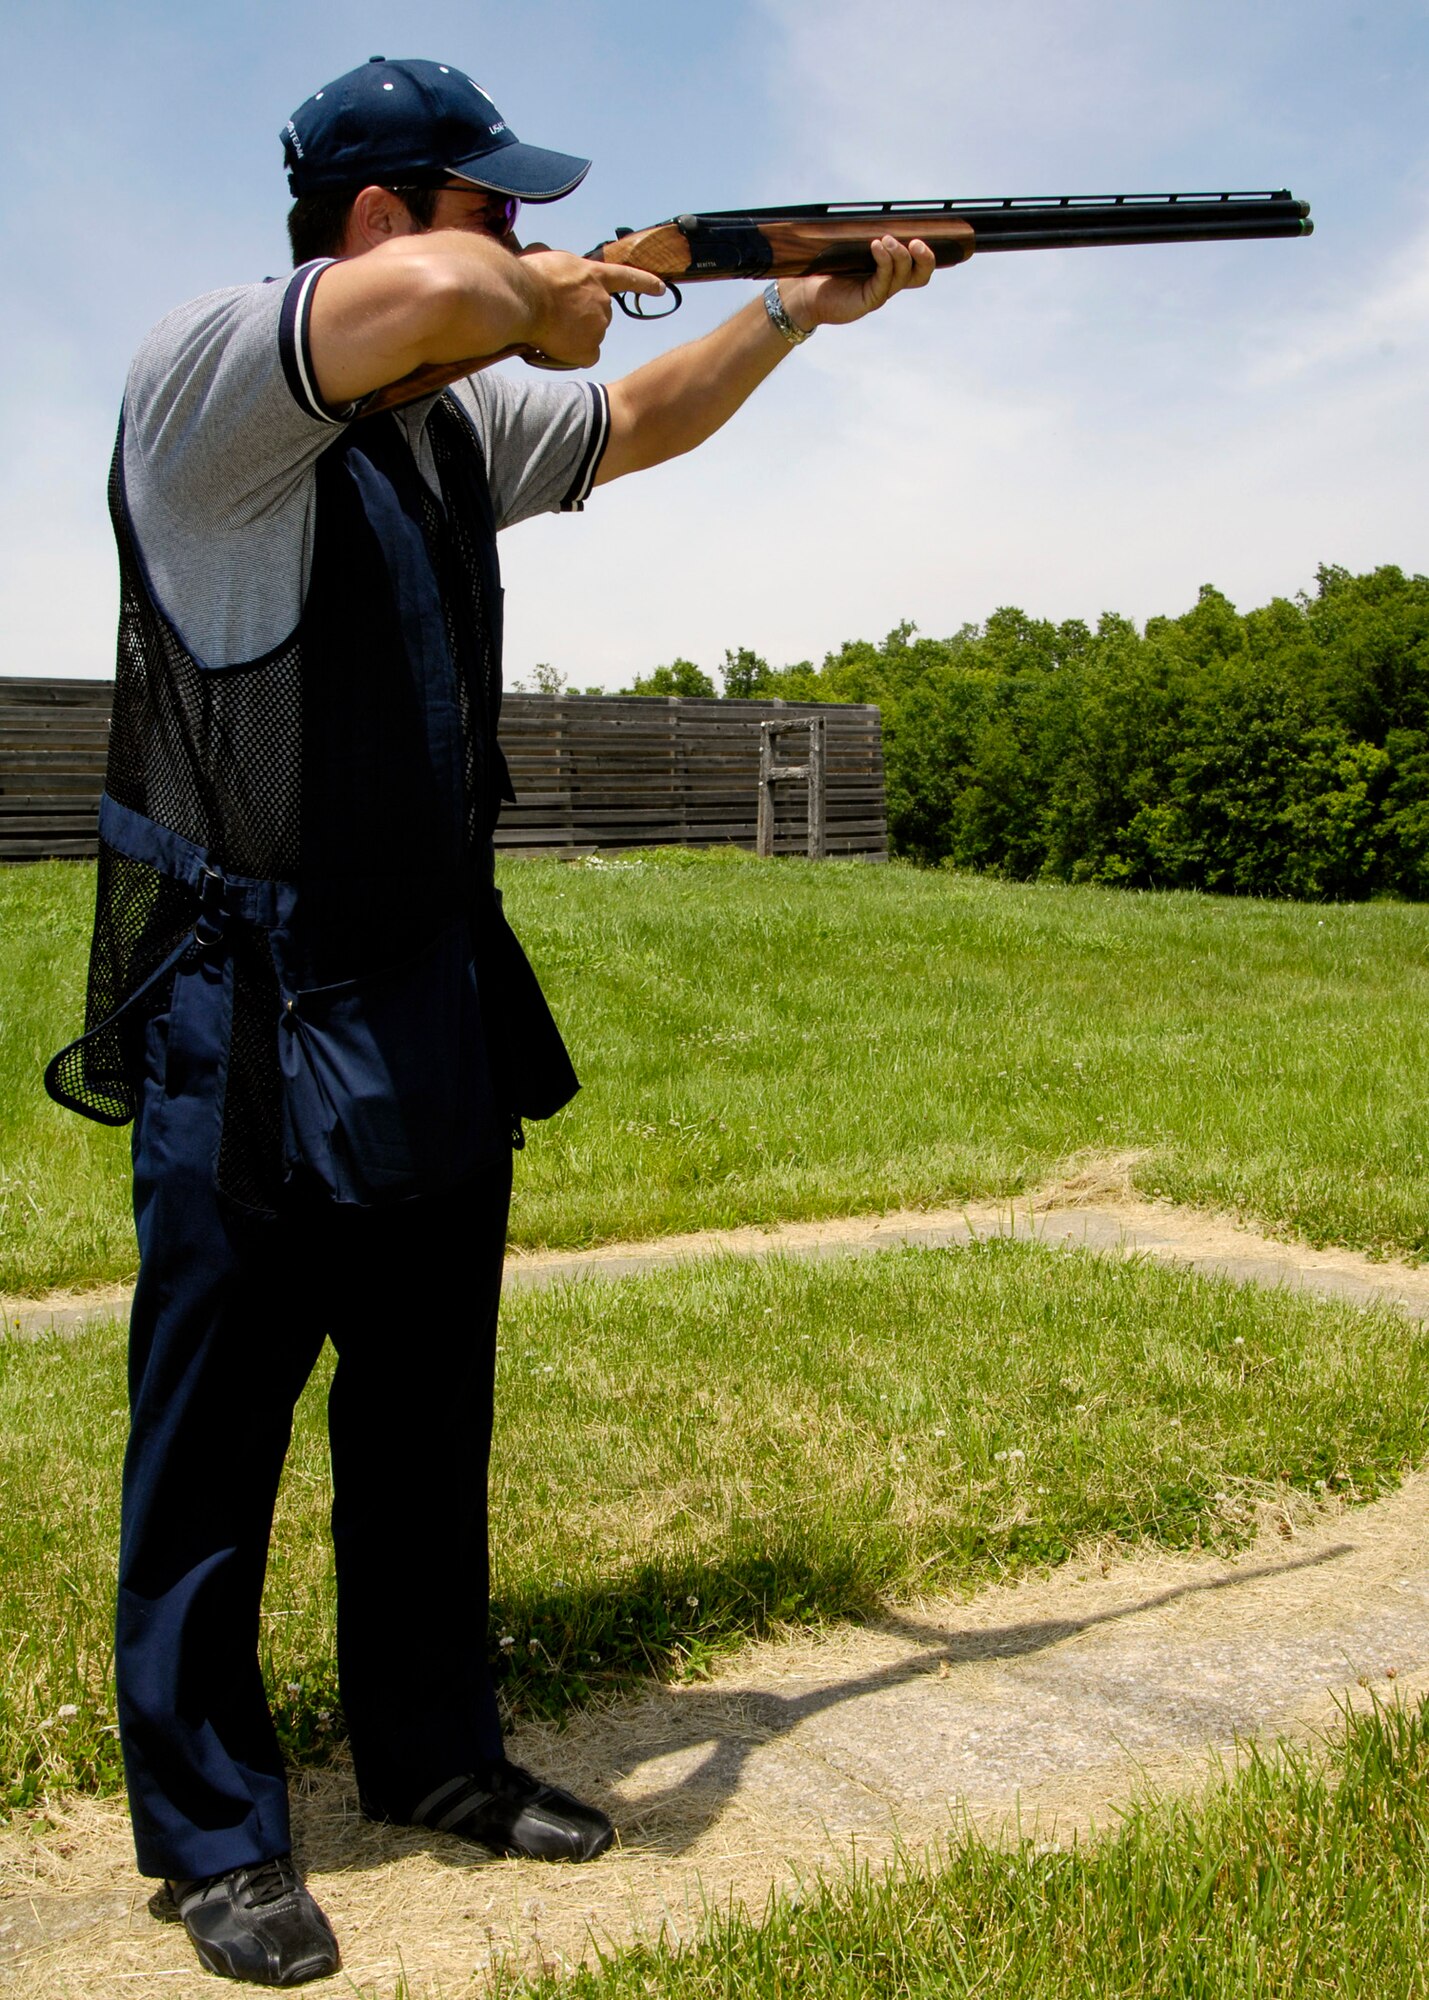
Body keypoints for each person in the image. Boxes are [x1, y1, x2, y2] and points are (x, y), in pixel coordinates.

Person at [45, 54, 935, 1988]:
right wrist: (579, 277)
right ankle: (212, 1837)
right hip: (244, 1004)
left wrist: (791, 300)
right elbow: (470, 307)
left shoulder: (446, 433)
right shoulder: (210, 378)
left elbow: (627, 420)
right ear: (375, 218)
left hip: (428, 979)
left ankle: (434, 1756)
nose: (525, 247)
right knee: (209, 1439)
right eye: (490, 206)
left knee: (428, 1406)